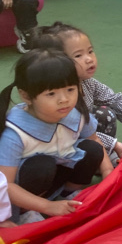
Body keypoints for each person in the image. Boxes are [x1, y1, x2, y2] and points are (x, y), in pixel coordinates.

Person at [0, 50, 112, 224]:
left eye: (70, 89)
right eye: (51, 94)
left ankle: (68, 193)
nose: (64, 99)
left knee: (92, 149)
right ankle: (26, 212)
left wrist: (108, 172)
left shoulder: (76, 114)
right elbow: (7, 185)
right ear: (26, 96)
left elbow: (94, 140)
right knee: (41, 165)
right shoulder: (15, 133)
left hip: (59, 173)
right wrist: (47, 206)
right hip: (27, 188)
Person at [27, 22, 122, 163]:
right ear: (56, 62)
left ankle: (103, 158)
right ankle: (99, 160)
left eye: (90, 51)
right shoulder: (60, 98)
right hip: (61, 145)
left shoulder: (87, 82)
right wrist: (113, 144)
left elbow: (112, 99)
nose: (89, 59)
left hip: (84, 135)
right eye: (78, 55)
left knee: (105, 114)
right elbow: (77, 133)